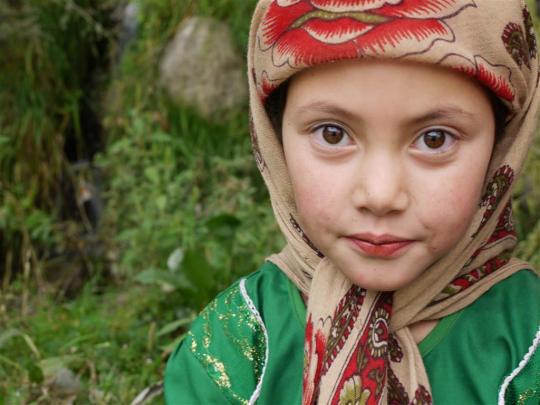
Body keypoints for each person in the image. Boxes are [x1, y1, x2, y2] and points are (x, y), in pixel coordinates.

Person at [165, 1, 540, 403]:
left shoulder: (528, 343)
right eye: (331, 134)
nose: (380, 195)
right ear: (274, 138)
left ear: (502, 146)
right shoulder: (234, 346)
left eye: (435, 139)